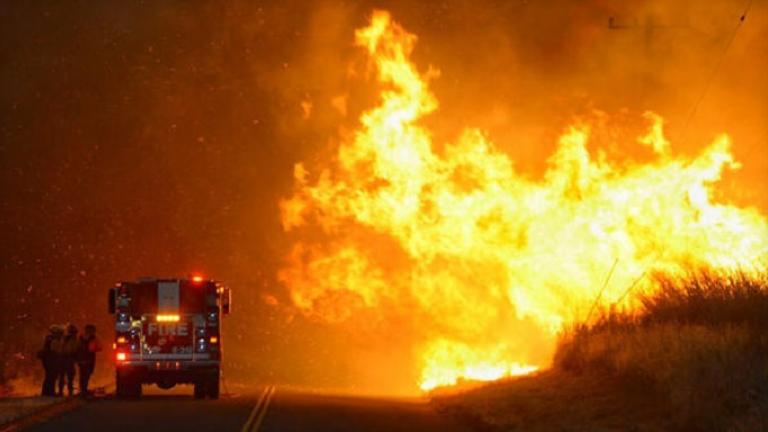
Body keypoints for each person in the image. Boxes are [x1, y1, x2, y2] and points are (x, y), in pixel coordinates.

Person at [37, 325, 64, 396]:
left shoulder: (49, 339)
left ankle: (47, 392)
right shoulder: (53, 340)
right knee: (51, 376)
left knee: (49, 376)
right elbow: (55, 351)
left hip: (48, 360)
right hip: (51, 360)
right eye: (60, 333)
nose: (61, 335)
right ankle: (49, 392)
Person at [76, 324, 102, 397]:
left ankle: (83, 389)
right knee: (85, 374)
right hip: (87, 358)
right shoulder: (90, 338)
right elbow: (99, 347)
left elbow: (99, 347)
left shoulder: (82, 337)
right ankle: (83, 389)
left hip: (86, 358)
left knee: (85, 374)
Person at [58, 324, 79, 396]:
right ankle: (65, 391)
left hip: (65, 358)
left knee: (65, 376)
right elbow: (71, 349)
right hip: (67, 358)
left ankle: (64, 391)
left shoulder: (65, 338)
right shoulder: (69, 339)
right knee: (67, 376)